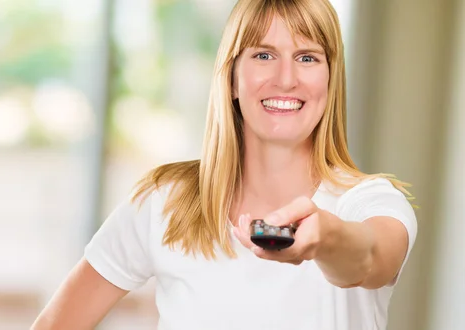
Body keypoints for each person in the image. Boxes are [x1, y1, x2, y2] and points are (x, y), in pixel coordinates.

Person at [32, 0, 418, 329]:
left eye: (307, 57)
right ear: (232, 78)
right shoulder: (165, 202)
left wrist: (325, 238)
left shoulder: (370, 202)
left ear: (331, 80)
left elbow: (369, 260)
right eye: (264, 55)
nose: (286, 78)